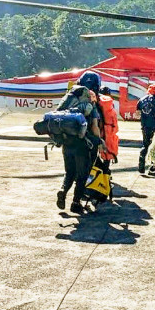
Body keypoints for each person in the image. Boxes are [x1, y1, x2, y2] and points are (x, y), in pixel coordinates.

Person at [55, 71, 102, 214]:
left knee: (69, 172)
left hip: (67, 141)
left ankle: (63, 190)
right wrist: (99, 141)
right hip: (83, 144)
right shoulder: (90, 100)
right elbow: (94, 126)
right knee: (82, 175)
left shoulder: (69, 96)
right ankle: (76, 202)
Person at [136, 83, 155, 174]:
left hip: (145, 126)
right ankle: (152, 169)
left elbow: (137, 115)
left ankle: (141, 168)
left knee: (145, 145)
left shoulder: (141, 100)